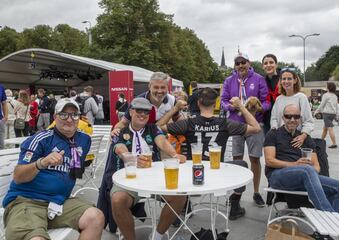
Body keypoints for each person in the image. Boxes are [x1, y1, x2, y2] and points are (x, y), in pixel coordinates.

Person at [2, 98, 104, 240]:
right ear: (55, 117)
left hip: (59, 202)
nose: (69, 119)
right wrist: (41, 163)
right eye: (63, 114)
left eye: (74, 114)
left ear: (79, 117)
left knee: (96, 217)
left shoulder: (84, 140)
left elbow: (75, 169)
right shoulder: (41, 139)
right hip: (27, 201)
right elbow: (18, 176)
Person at [157, 87, 262, 220]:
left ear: (199, 103)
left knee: (179, 164)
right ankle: (234, 205)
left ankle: (185, 203)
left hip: (193, 172)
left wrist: (175, 108)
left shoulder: (189, 123)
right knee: (242, 164)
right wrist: (241, 106)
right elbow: (256, 128)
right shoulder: (225, 124)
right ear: (215, 104)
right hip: (217, 172)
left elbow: (158, 127)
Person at [100, 98, 186, 240]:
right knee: (117, 199)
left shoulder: (152, 128)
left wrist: (174, 154)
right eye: (139, 110)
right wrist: (132, 159)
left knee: (180, 197)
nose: (143, 114)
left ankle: (158, 235)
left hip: (154, 180)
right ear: (131, 112)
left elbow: (162, 141)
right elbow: (120, 148)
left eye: (146, 111)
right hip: (128, 180)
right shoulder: (120, 131)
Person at [264, 104, 339, 212]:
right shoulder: (273, 134)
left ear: (300, 118)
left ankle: (327, 225)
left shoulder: (306, 138)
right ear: (283, 117)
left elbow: (316, 167)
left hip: (305, 176)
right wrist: (295, 165)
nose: (292, 120)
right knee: (306, 170)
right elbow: (269, 161)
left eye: (296, 116)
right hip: (277, 176)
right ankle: (328, 216)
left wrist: (306, 167)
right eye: (288, 116)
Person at [221, 52, 270, 207]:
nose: (240, 65)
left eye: (243, 62)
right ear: (235, 65)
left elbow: (266, 101)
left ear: (249, 63)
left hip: (255, 125)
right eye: (237, 63)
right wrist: (231, 106)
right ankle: (237, 195)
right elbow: (222, 100)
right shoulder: (229, 80)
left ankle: (256, 192)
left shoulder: (259, 79)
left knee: (255, 158)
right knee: (237, 159)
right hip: (235, 124)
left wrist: (259, 109)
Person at [112, 72, 181, 136]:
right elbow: (124, 122)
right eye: (156, 87)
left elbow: (177, 118)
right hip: (141, 139)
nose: (159, 91)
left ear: (167, 87)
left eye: (163, 87)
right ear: (149, 87)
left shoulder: (172, 100)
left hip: (163, 138)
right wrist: (116, 130)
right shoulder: (138, 101)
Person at [270, 68, 314, 148]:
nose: (286, 81)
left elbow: (308, 121)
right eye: (284, 79)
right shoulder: (279, 99)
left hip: (297, 140)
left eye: (289, 79)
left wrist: (303, 136)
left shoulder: (301, 97)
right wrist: (275, 133)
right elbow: (274, 119)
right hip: (281, 140)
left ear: (295, 80)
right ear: (280, 81)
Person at [316, 82, 338, 148]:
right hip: (333, 114)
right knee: (325, 128)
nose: (326, 86)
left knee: (329, 128)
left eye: (326, 85)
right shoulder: (335, 96)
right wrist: (336, 113)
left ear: (329, 87)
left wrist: (317, 111)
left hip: (327, 113)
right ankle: (321, 141)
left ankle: (334, 143)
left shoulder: (326, 95)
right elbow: (336, 106)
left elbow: (322, 104)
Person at [262, 54, 281, 134]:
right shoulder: (261, 82)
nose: (268, 65)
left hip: (283, 119)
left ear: (276, 64)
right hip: (266, 121)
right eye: (265, 63)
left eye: (271, 62)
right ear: (263, 66)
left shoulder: (284, 79)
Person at [0, 84, 8, 149]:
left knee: (1, 146)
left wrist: (6, 116)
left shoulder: (1, 87)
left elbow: (4, 103)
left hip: (0, 119)